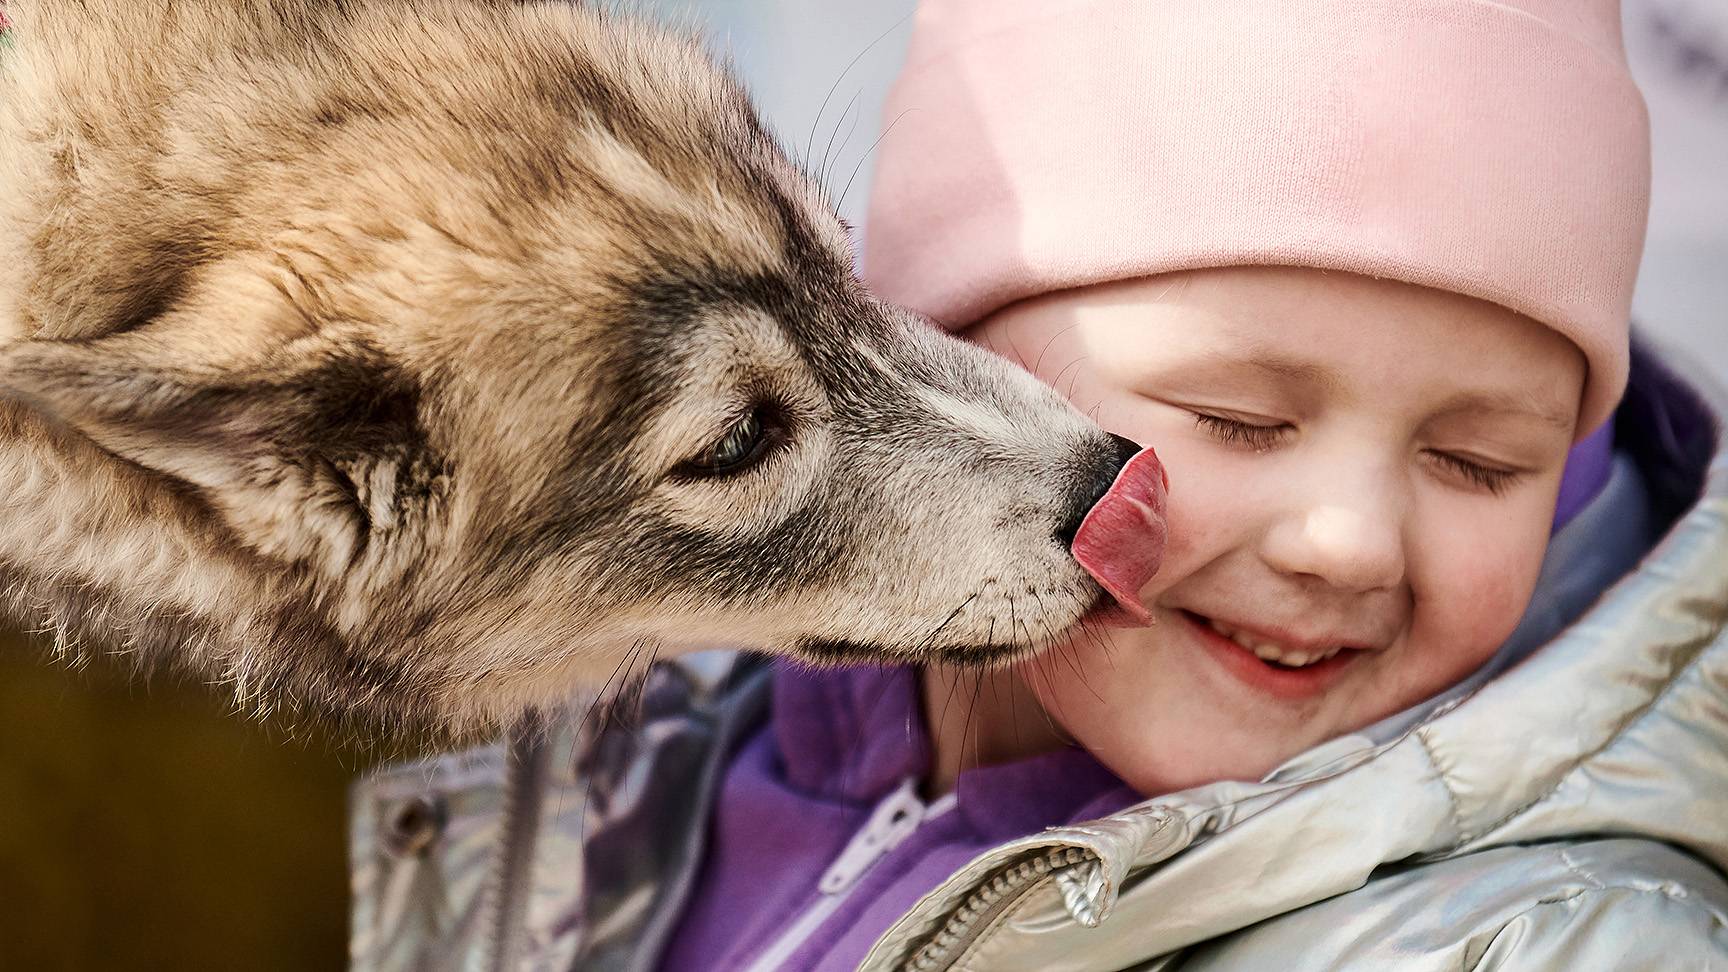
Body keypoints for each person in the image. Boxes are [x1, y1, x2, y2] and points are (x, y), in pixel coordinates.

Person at [348, 0, 1728, 969]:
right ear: (947, 352)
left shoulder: (1556, 947)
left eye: (1482, 464)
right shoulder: (664, 750)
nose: (1350, 541)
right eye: (1239, 419)